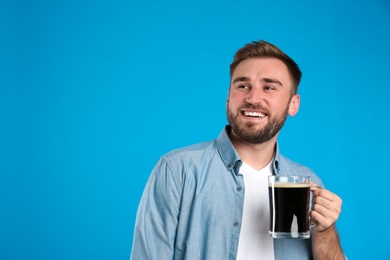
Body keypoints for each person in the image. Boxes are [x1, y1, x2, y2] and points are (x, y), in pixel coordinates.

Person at [130, 40, 344, 260]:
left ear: (293, 104)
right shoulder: (178, 171)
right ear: (228, 99)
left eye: (269, 87)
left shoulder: (307, 183)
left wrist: (325, 231)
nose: (252, 98)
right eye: (242, 86)